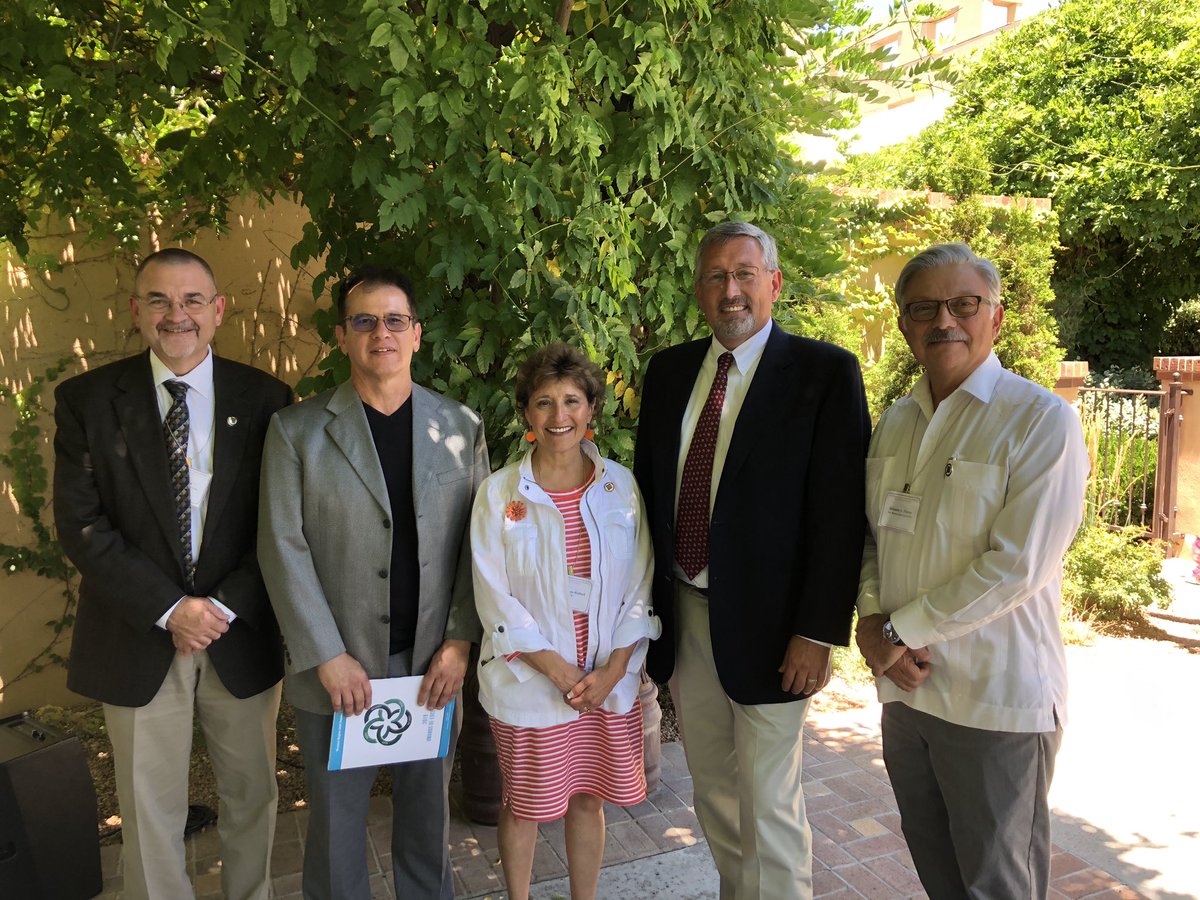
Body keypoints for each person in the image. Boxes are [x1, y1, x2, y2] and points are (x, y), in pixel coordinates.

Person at [633, 221, 871, 899]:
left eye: (744, 274)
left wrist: (819, 631)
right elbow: (652, 494)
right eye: (715, 276)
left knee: (770, 808)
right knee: (715, 797)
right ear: (698, 290)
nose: (730, 290)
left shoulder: (825, 374)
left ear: (774, 283)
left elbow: (839, 515)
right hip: (685, 617)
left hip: (776, 634)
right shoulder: (671, 371)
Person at [53, 247, 291, 900]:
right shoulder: (88, 401)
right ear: (136, 311)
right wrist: (171, 610)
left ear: (217, 312)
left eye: (191, 300)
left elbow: (280, 525)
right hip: (136, 635)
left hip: (236, 635)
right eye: (158, 300)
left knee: (252, 798)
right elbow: (82, 526)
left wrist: (217, 610)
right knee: (149, 813)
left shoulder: (267, 399)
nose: (175, 314)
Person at [855, 242, 1089, 899]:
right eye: (925, 308)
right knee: (942, 879)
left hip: (996, 702)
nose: (944, 321)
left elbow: (1018, 566)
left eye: (964, 304)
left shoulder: (1041, 421)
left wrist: (896, 631)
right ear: (904, 324)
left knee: (998, 886)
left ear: (997, 317)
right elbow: (871, 538)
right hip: (907, 696)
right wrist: (873, 623)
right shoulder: (895, 424)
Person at [258, 264, 488, 900]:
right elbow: (281, 546)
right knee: (334, 833)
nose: (380, 333)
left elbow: (479, 546)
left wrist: (460, 642)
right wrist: (326, 654)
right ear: (342, 336)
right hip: (336, 670)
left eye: (394, 321)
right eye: (364, 321)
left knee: (426, 826)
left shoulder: (460, 428)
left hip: (431, 665)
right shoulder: (297, 431)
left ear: (416, 334)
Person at [470, 343, 660, 900]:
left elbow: (640, 585)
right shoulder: (500, 493)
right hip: (532, 681)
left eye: (572, 400)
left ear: (592, 409)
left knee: (588, 797)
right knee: (524, 805)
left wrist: (612, 671)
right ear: (526, 413)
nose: (560, 416)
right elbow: (494, 595)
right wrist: (558, 672)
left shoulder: (618, 487)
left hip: (604, 682)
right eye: (544, 402)